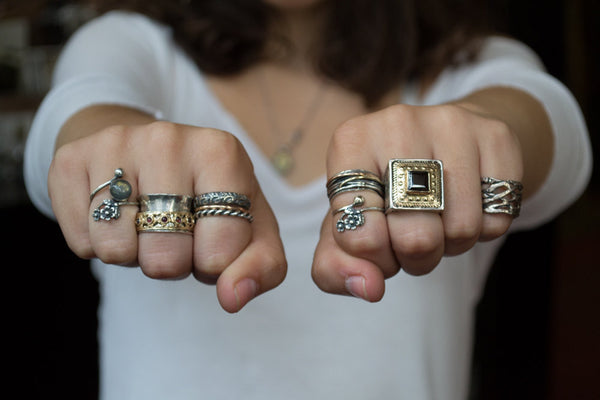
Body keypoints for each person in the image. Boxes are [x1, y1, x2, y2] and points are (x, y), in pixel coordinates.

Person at [24, 0, 591, 399]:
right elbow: (73, 122)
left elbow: (553, 132)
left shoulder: (470, 64)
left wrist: (478, 128)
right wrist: (113, 146)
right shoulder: (129, 44)